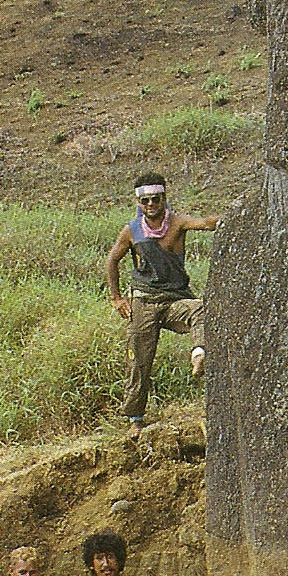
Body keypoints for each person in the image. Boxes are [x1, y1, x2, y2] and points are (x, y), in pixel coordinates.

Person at [105, 173, 220, 428]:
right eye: (145, 201)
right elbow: (113, 259)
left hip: (173, 300)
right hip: (143, 301)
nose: (151, 205)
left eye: (155, 199)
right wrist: (116, 298)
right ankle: (135, 419)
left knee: (201, 309)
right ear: (138, 203)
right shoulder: (132, 231)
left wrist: (229, 218)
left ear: (164, 198)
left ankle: (199, 353)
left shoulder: (177, 223)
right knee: (138, 361)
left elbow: (206, 223)